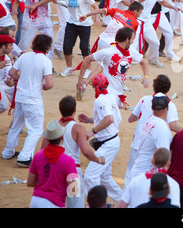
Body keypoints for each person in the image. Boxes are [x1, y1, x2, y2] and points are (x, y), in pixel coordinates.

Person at [40, 95, 105, 208]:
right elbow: (86, 151)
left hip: (55, 171)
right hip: (72, 171)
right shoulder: (78, 128)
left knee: (55, 202)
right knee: (75, 203)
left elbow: (42, 150)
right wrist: (98, 160)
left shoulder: (53, 127)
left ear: (60, 110)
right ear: (74, 110)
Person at [2, 34, 53, 167]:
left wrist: (21, 79)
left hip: (20, 97)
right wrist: (45, 87)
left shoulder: (24, 56)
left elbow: (12, 73)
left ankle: (8, 152)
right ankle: (24, 157)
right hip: (33, 99)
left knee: (16, 126)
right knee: (35, 129)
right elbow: (50, 83)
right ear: (47, 47)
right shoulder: (45, 61)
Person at [125, 75, 181, 187]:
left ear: (154, 86)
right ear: (168, 88)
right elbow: (173, 125)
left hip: (137, 142)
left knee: (130, 174)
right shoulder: (169, 104)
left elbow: (131, 119)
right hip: (152, 148)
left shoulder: (144, 99)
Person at [76, 27, 150, 107]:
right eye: (132, 39)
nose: (133, 42)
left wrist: (146, 77)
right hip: (108, 92)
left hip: (119, 91)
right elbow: (87, 59)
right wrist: (80, 79)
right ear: (127, 40)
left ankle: (87, 83)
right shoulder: (108, 52)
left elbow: (143, 62)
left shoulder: (130, 51)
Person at [77, 74, 123, 204]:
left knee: (91, 176)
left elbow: (109, 119)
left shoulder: (100, 101)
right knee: (104, 178)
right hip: (112, 141)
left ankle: (96, 205)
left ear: (96, 87)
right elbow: (113, 119)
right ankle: (127, 201)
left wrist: (92, 131)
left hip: (107, 144)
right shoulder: (111, 97)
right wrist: (90, 120)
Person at [135, 0, 183, 68]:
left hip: (147, 21)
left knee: (155, 42)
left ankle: (153, 60)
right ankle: (128, 59)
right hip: (138, 21)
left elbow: (162, 2)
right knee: (134, 43)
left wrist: (174, 7)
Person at [27, 120, 79, 208]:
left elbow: (30, 182)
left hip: (36, 200)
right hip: (54, 203)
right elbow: (73, 190)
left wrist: (45, 182)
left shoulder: (37, 156)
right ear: (62, 137)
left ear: (47, 139)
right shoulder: (69, 161)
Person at [56, 0, 99, 78]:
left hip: (85, 24)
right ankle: (69, 68)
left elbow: (94, 5)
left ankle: (88, 69)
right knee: (67, 46)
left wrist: (96, 16)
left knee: (84, 47)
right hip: (72, 23)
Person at [127, 94, 173, 183]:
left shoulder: (150, 120)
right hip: (146, 177)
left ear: (152, 108)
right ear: (167, 108)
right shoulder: (161, 128)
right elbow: (163, 158)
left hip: (137, 172)